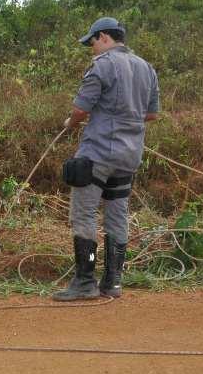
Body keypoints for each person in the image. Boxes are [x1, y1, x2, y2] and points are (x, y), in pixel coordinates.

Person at [53, 17, 160, 302]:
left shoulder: (103, 65)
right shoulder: (147, 69)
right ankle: (111, 283)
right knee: (117, 215)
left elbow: (80, 108)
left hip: (98, 153)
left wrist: (72, 123)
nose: (91, 48)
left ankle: (85, 282)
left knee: (84, 213)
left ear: (103, 37)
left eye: (91, 42)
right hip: (129, 155)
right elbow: (151, 115)